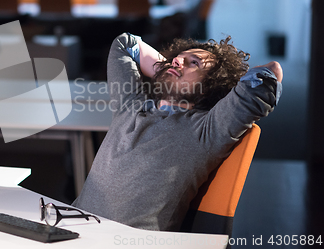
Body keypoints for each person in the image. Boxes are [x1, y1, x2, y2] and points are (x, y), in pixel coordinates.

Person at [72, 33, 282, 231]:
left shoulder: (207, 130)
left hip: (127, 241)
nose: (177, 61)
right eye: (178, 58)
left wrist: (215, 87)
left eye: (194, 63)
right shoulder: (130, 104)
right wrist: (168, 70)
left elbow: (270, 74)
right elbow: (124, 45)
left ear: (211, 84)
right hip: (71, 226)